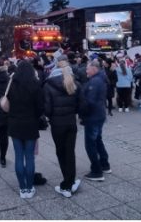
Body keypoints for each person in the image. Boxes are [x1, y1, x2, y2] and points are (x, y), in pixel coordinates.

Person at [7, 59, 44, 198]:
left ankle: (22, 188)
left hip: (15, 123)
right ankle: (30, 187)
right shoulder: (35, 84)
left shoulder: (11, 84)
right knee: (29, 157)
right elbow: (40, 107)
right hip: (30, 124)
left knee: (18, 156)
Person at [44, 60, 81, 197]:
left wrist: (51, 116)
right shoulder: (74, 83)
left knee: (61, 152)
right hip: (71, 122)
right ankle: (70, 182)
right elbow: (79, 104)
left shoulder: (48, 85)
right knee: (70, 152)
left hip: (57, 124)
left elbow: (47, 109)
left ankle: (66, 185)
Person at [79, 60, 110, 181]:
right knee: (97, 140)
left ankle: (96, 171)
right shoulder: (99, 79)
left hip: (93, 116)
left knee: (90, 144)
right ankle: (104, 164)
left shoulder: (95, 81)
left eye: (87, 68)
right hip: (98, 115)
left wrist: (82, 111)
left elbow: (90, 102)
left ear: (94, 69)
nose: (86, 71)